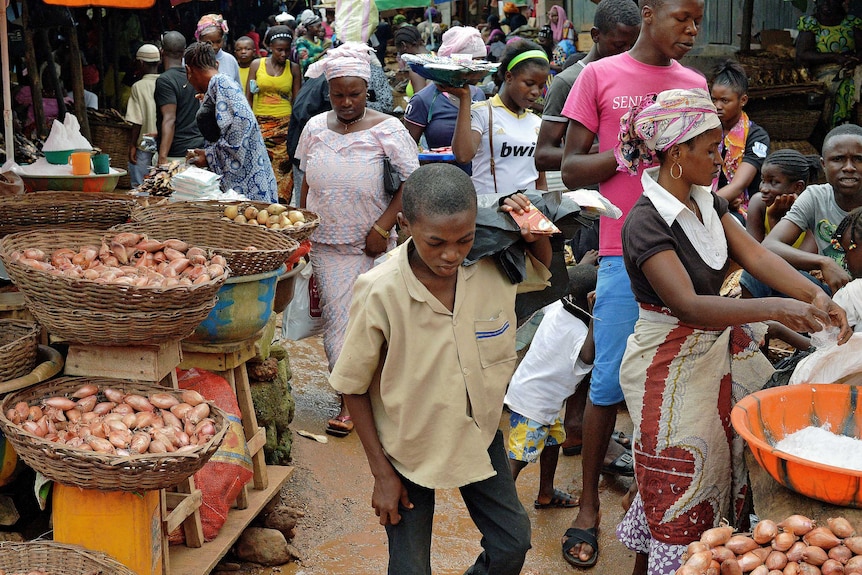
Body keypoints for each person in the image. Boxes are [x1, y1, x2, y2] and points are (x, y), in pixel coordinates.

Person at [614, 87, 851, 575]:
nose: (722, 159)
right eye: (711, 149)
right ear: (676, 154)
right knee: (680, 482)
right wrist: (779, 307)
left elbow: (759, 255)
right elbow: (688, 305)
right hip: (669, 366)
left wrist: (815, 298)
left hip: (720, 351)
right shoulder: (645, 222)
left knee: (725, 469)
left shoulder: (709, 203)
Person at [330, 163, 551, 575]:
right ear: (405, 225)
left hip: (477, 434)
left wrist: (533, 235)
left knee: (512, 544)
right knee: (410, 569)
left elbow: (539, 275)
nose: (451, 255)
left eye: (464, 239)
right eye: (436, 242)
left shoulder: (490, 265)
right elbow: (353, 386)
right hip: (407, 448)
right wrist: (382, 474)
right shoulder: (380, 290)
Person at [557, 0, 711, 568]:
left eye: (699, 20)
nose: (692, 29)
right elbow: (569, 169)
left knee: (674, 383)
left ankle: (658, 508)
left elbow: (703, 172)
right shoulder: (599, 75)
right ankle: (589, 507)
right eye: (683, 17)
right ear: (649, 13)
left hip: (687, 252)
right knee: (607, 384)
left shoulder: (694, 83)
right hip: (623, 251)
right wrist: (625, 155)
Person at [296, 42, 419, 438]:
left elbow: (410, 183)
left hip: (375, 245)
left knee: (377, 325)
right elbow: (305, 180)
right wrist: (300, 226)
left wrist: (382, 228)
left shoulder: (389, 128)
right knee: (338, 326)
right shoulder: (315, 127)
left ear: (367, 91)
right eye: (338, 95)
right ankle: (348, 400)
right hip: (328, 245)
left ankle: (377, 398)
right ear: (327, 93)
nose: (346, 102)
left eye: (354, 94)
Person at [505, 263, 596, 510]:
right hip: (532, 403)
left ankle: (546, 492)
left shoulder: (558, 307)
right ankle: (502, 507)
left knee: (553, 442)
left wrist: (583, 265)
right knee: (519, 456)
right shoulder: (579, 331)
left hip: (543, 399)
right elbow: (588, 357)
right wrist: (596, 318)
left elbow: (569, 283)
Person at [535, 0, 641, 176]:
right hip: (592, 196)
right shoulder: (567, 82)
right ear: (595, 35)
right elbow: (543, 156)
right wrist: (611, 150)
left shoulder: (636, 77)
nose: (626, 52)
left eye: (633, 45)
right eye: (619, 45)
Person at [757, 124, 862, 296]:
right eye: (838, 159)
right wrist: (823, 262)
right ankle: (755, 323)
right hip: (828, 293)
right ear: (823, 165)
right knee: (757, 274)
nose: (849, 167)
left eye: (859, 159)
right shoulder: (815, 197)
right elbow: (770, 246)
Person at [451, 40, 549, 195]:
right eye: (529, 83)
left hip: (528, 214)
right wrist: (465, 98)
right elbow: (463, 155)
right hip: (489, 214)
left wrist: (544, 212)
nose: (536, 92)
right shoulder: (482, 113)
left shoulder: (538, 123)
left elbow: (540, 180)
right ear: (509, 77)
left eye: (541, 85)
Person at [183, 42, 277, 203]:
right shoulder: (218, 86)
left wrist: (209, 156)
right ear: (216, 64)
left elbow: (239, 135)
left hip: (247, 186)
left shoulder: (222, 84)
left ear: (188, 71)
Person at [404, 26, 487, 174]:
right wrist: (428, 160)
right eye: (474, 62)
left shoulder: (478, 94)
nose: (479, 69)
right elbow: (405, 153)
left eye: (482, 61)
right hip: (441, 181)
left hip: (480, 181)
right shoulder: (423, 100)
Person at [710, 59, 770, 224]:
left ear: (742, 100)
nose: (717, 106)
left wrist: (700, 204)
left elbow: (738, 185)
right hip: (714, 200)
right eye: (714, 99)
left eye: (725, 100)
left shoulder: (756, 136)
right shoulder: (707, 130)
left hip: (743, 207)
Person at [246, 25, 302, 201]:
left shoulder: (293, 68)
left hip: (285, 125)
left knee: (283, 168)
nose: (283, 54)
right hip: (260, 123)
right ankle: (262, 203)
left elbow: (297, 100)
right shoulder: (257, 65)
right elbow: (248, 96)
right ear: (270, 48)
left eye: (287, 50)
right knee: (261, 165)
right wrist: (250, 122)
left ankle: (281, 204)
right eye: (279, 50)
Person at [796, 0, 862, 128]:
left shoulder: (852, 22)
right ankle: (838, 125)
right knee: (845, 87)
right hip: (822, 69)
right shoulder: (811, 23)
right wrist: (834, 57)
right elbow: (803, 53)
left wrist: (855, 59)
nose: (826, 3)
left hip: (851, 66)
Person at [745, 149, 820, 254]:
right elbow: (752, 255)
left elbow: (799, 265)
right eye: (763, 181)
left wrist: (774, 220)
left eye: (774, 182)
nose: (763, 189)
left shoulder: (813, 212)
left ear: (798, 187)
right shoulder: (759, 203)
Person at [155, 31, 204, 166]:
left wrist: (162, 156)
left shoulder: (165, 80)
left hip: (176, 153)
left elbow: (170, 119)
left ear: (161, 51)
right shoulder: (192, 75)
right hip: (196, 147)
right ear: (184, 52)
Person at [125, 43, 160, 187]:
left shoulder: (138, 86)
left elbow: (137, 120)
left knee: (141, 185)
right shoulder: (167, 81)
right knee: (160, 183)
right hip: (165, 138)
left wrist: (133, 145)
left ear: (140, 63)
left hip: (147, 138)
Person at [832, 207, 862, 330]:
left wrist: (781, 332)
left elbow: (832, 346)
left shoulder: (851, 293)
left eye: (846, 251)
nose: (844, 260)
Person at [195, 14, 242, 88]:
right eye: (209, 43)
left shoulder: (230, 60)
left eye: (218, 41)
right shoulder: (192, 60)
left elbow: (238, 88)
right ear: (199, 40)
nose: (215, 47)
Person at [394, 25, 429, 98]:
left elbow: (421, 100)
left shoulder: (416, 67)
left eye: (399, 51)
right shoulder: (435, 55)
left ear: (404, 46)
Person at [295, 10, 328, 76]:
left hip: (321, 75)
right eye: (318, 26)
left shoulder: (318, 41)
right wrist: (322, 53)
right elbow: (305, 62)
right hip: (309, 77)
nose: (320, 28)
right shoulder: (302, 42)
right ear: (310, 27)